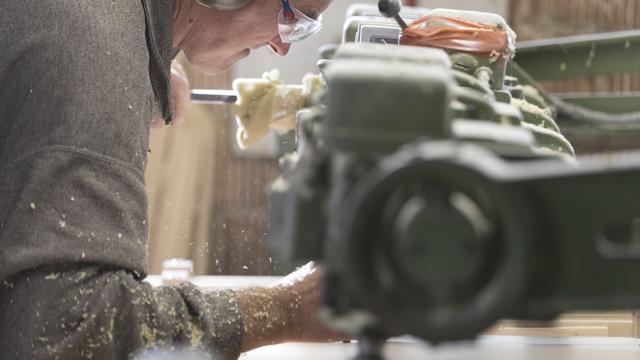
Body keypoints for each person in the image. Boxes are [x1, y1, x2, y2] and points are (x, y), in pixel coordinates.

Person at [0, 0, 334, 359]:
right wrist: (288, 309)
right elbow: (68, 329)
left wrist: (151, 53)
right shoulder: (96, 51)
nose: (281, 46)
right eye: (294, 17)